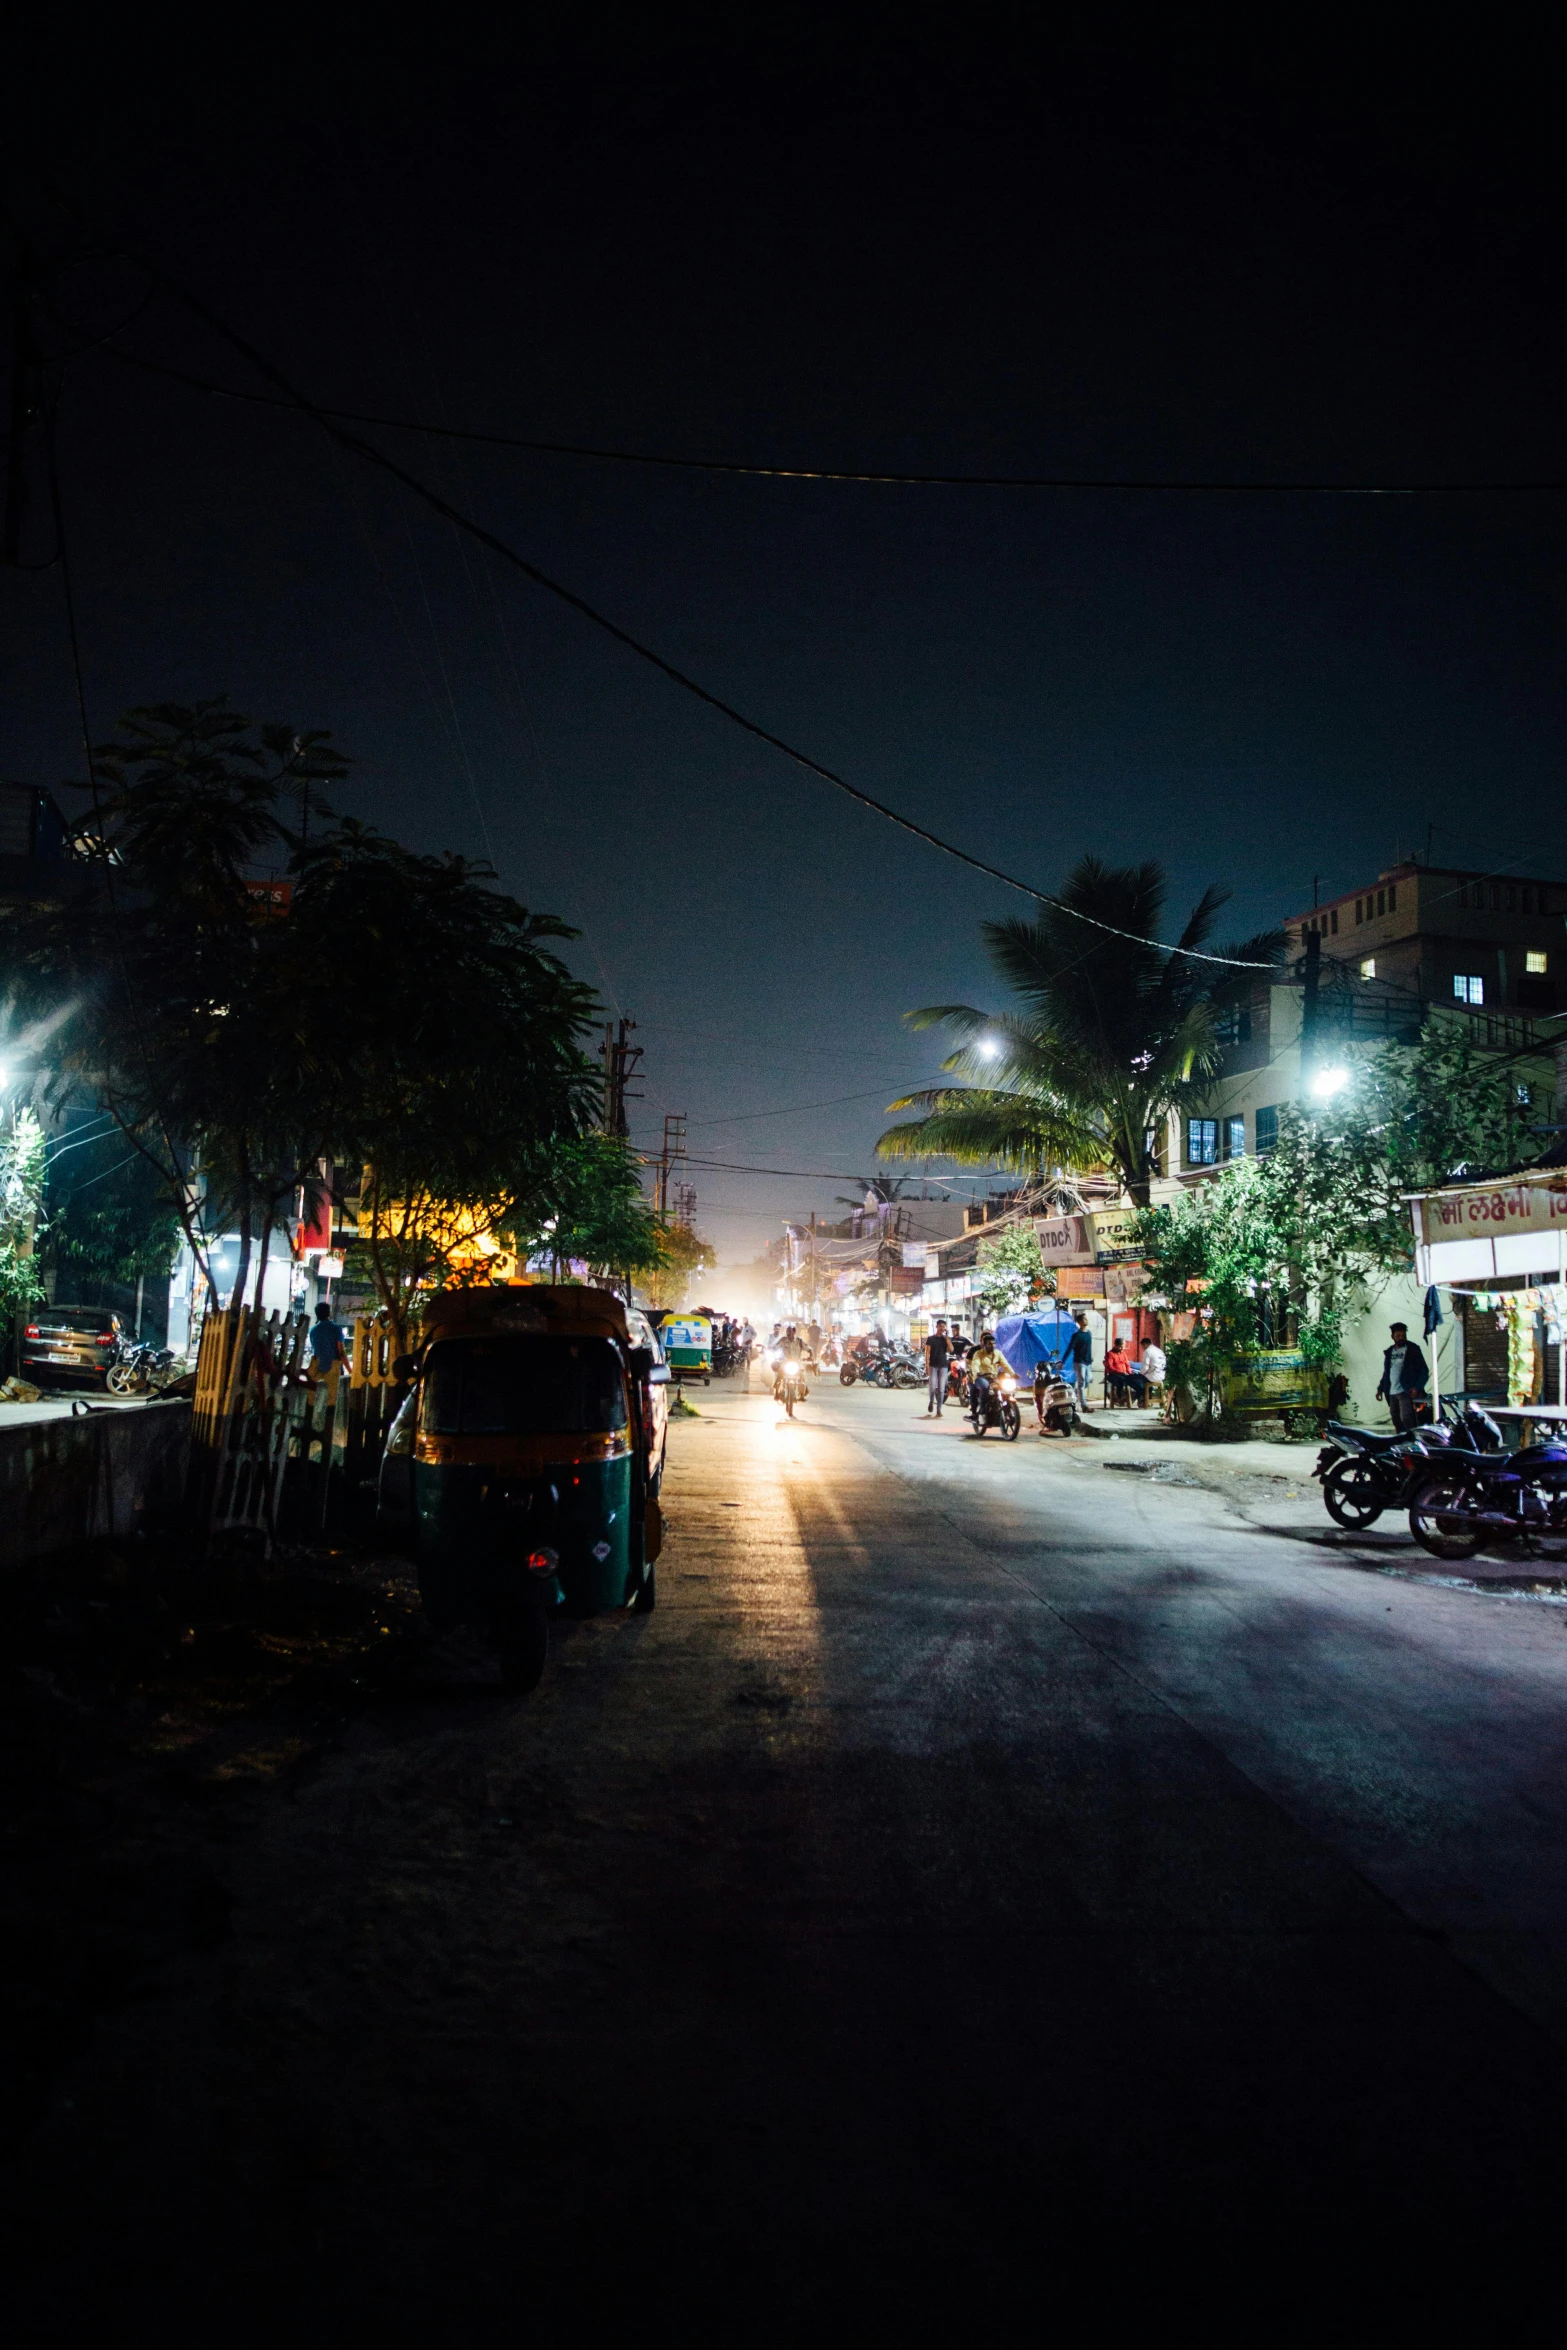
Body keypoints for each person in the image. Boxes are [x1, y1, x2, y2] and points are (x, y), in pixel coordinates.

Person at [1377, 1321, 1430, 1432]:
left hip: (1406, 1390)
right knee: (1396, 1419)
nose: (1401, 1338)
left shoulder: (1413, 1349)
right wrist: (1380, 1389)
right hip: (1391, 1392)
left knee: (1406, 1418)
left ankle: (1414, 1438)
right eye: (1398, 1336)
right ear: (1392, 1337)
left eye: (1403, 1335)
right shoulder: (1389, 1352)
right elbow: (1387, 1372)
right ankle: (1401, 1441)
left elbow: (1424, 1370)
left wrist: (1417, 1387)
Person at [967, 1329, 1003, 1422]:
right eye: (985, 1340)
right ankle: (975, 1413)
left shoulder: (995, 1352)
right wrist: (972, 1373)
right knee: (974, 1389)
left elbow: (1002, 1363)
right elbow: (969, 1364)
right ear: (981, 1340)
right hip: (976, 1376)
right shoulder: (974, 1351)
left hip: (992, 1376)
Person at [308, 1299, 349, 1380]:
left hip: (318, 1370)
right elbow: (341, 1352)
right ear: (329, 1313)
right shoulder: (336, 1329)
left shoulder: (312, 1331)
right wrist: (350, 1370)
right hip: (334, 1369)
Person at [1067, 1311, 1094, 1413]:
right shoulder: (1077, 1335)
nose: (1086, 1320)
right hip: (1079, 1362)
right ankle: (1084, 1406)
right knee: (1082, 1382)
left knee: (1087, 1381)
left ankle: (1073, 1395)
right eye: (1084, 1319)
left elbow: (1089, 1347)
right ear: (1079, 1322)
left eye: (1086, 1318)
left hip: (1087, 1362)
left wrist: (1090, 1357)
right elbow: (1070, 1348)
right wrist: (1063, 1361)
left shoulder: (1089, 1333)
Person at [925, 1317, 952, 1417]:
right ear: (936, 1327)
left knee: (941, 1389)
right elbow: (927, 1352)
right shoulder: (931, 1339)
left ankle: (939, 1409)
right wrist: (927, 1365)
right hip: (933, 1365)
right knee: (932, 1387)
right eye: (940, 1326)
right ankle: (931, 1402)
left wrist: (947, 1338)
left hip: (943, 1366)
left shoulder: (945, 1339)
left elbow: (951, 1349)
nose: (942, 1328)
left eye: (944, 1327)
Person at [1104, 1339, 1131, 1406]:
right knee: (1121, 1381)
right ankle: (1119, 1397)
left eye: (1123, 1346)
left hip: (1124, 1374)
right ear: (1116, 1345)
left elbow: (1127, 1365)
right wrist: (1121, 1372)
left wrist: (1130, 1373)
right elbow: (1110, 1367)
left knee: (1134, 1380)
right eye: (1120, 1346)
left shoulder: (1124, 1353)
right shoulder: (1110, 1354)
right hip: (1113, 1375)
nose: (1122, 1348)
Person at [1141, 1338, 1167, 1407]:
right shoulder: (1159, 1351)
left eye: (1143, 1346)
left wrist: (1141, 1374)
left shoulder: (1148, 1351)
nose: (1143, 1348)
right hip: (1162, 1375)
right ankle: (1148, 1397)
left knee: (1134, 1379)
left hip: (1153, 1376)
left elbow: (1145, 1367)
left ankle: (1143, 1398)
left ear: (1145, 1344)